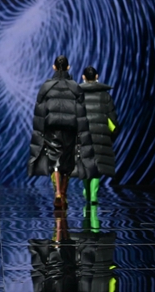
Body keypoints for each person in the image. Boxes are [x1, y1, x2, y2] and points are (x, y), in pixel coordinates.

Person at [29, 55, 88, 210]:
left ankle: (57, 193)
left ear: (54, 67)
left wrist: (39, 131)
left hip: (52, 128)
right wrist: (82, 133)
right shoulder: (75, 87)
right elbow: (81, 114)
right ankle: (63, 193)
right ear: (68, 67)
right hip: (70, 129)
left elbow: (40, 112)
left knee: (54, 159)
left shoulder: (46, 87)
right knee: (68, 162)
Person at [77, 66, 119, 205]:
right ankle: (94, 194)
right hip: (101, 134)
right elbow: (112, 118)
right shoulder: (105, 95)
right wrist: (112, 134)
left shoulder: (77, 95)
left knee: (85, 164)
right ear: (97, 77)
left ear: (83, 77)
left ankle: (87, 191)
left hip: (83, 134)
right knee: (98, 165)